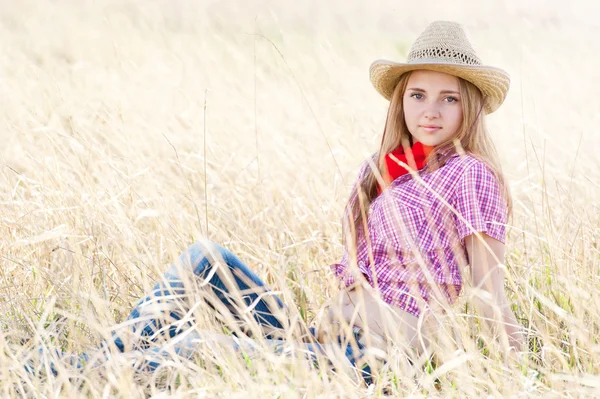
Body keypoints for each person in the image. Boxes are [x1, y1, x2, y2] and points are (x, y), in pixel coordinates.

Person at [28, 20, 524, 387]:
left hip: (371, 365)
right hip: (321, 340)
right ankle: (85, 366)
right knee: (206, 260)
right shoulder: (383, 170)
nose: (430, 111)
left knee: (195, 348)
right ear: (400, 102)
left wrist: (519, 381)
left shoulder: (470, 174)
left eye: (448, 98)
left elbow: (488, 292)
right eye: (417, 94)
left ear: (470, 106)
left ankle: (56, 378)